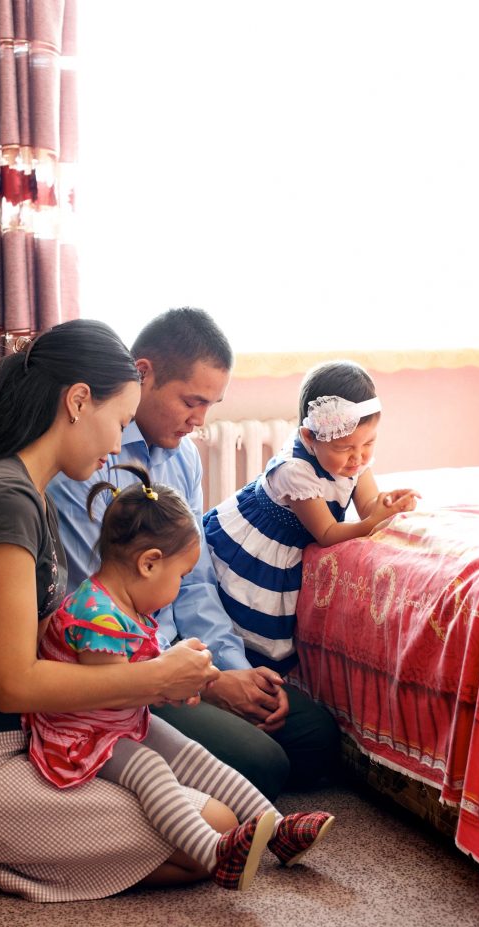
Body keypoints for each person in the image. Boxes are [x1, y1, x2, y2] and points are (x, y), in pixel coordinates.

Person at [0, 319, 236, 902]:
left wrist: (136, 669)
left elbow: (43, 645)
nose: (116, 446)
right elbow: (14, 684)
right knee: (208, 835)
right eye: (120, 423)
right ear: (79, 401)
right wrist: (156, 677)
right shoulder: (6, 499)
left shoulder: (27, 493)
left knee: (215, 815)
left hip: (26, 743)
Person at [47, 308, 340, 801]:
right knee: (263, 765)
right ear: (143, 374)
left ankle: (214, 763)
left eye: (211, 405)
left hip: (187, 658)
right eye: (191, 401)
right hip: (124, 666)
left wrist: (229, 668)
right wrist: (206, 685)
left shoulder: (183, 457)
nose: (200, 421)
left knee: (318, 737)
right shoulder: (88, 459)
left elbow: (196, 580)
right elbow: (94, 601)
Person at [25, 464, 334, 891]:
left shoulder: (127, 605)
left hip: (120, 726)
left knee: (194, 755)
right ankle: (213, 853)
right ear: (150, 564)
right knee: (152, 769)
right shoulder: (95, 615)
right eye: (181, 576)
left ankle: (278, 830)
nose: (181, 585)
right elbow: (116, 692)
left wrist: (178, 677)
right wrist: (166, 681)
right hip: (83, 735)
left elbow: (142, 671)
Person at [203, 360, 420, 672]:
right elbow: (327, 533)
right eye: (345, 448)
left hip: (299, 535)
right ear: (309, 437)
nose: (358, 457)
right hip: (262, 544)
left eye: (369, 443)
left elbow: (369, 504)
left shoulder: (352, 458)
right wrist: (371, 524)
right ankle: (237, 671)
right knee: (251, 621)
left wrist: (387, 505)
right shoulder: (296, 472)